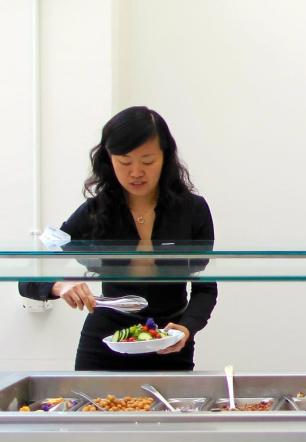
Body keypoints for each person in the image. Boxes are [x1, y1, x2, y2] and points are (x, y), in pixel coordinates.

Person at [19, 106, 217, 370]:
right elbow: (28, 276)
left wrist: (186, 328)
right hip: (104, 343)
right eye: (124, 162)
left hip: (169, 342)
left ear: (165, 158)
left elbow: (206, 287)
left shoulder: (193, 210)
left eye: (147, 161)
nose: (136, 172)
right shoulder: (92, 213)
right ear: (109, 160)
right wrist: (59, 285)